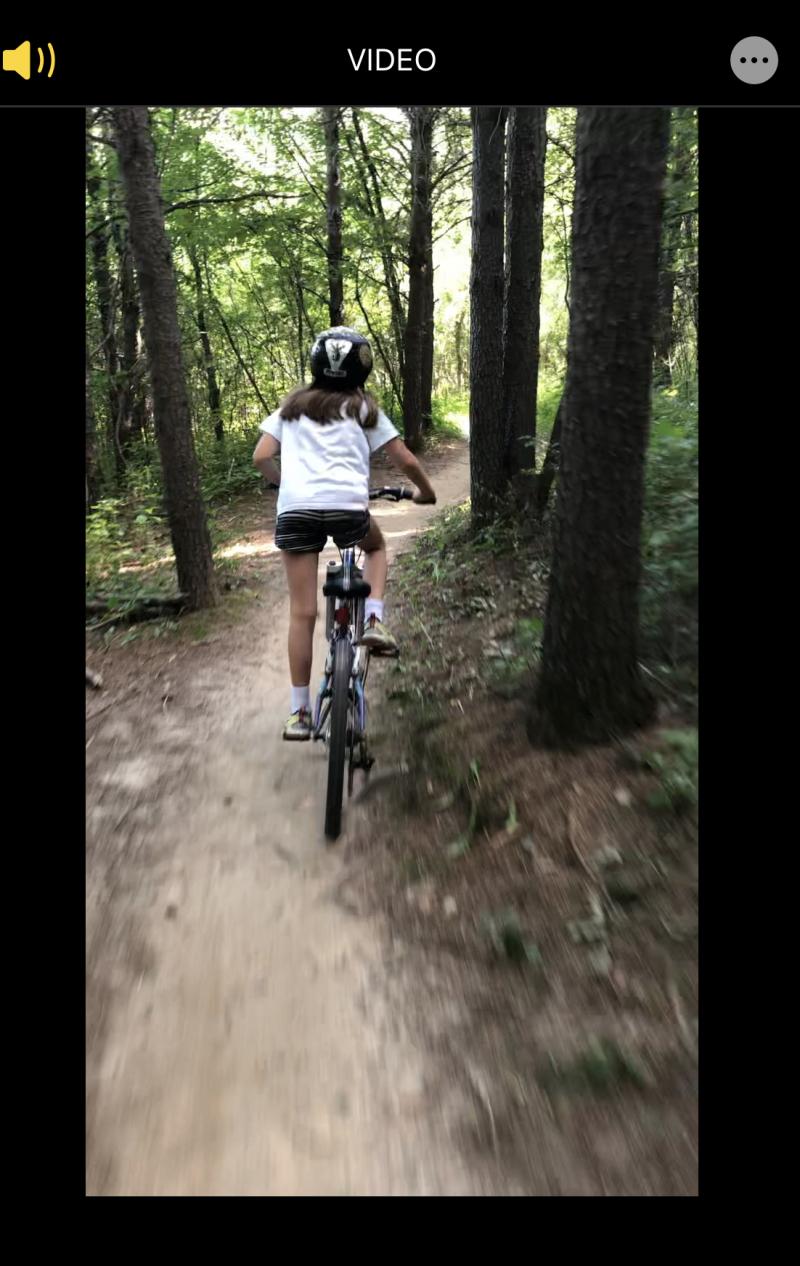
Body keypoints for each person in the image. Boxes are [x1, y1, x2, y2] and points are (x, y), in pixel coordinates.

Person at [253, 326, 437, 741]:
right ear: (362, 369)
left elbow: (261, 456)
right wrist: (425, 492)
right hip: (348, 510)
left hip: (296, 513)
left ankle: (300, 714)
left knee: (302, 614)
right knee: (376, 547)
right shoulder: (364, 409)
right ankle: (373, 619)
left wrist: (284, 484)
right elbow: (405, 459)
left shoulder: (290, 408)